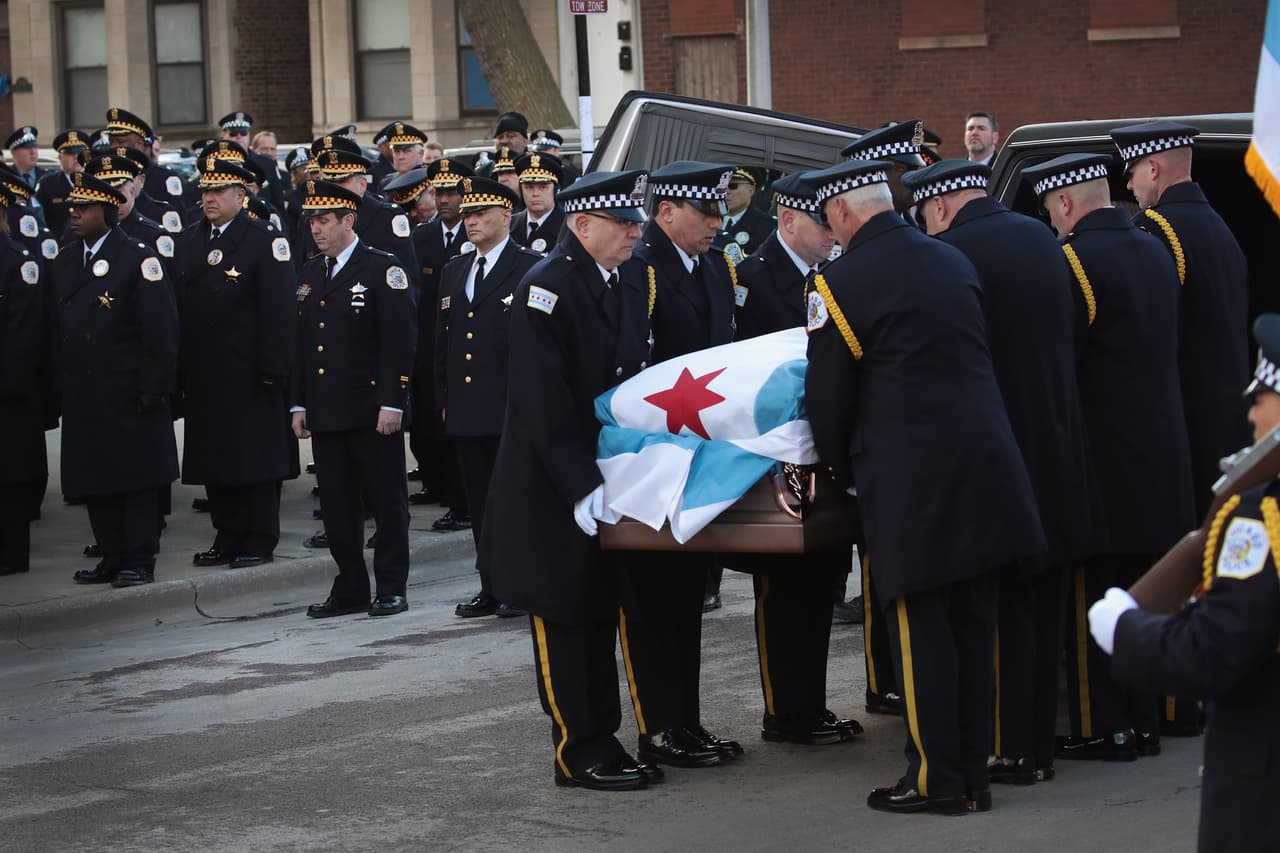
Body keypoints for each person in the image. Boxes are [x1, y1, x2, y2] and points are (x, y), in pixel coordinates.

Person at [805, 157, 1045, 815]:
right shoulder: (951, 260)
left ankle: (936, 778)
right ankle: (971, 773)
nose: (832, 234)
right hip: (989, 466)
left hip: (912, 480)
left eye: (830, 221)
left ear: (846, 213)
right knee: (973, 625)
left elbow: (829, 401)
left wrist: (840, 473)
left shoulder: (838, 284)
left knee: (922, 630)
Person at [903, 158, 1099, 784]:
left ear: (937, 209)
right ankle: (1034, 746)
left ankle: (997, 744)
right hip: (1059, 444)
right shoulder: (1041, 238)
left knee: (992, 613)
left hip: (998, 450)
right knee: (1038, 611)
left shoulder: (951, 255)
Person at [484, 168, 659, 790]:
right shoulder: (546, 288)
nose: (636, 232)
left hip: (608, 473)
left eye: (637, 222)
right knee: (567, 616)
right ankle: (578, 748)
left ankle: (605, 736)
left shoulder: (628, 278)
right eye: (625, 223)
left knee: (601, 609)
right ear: (582, 225)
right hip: (554, 483)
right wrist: (581, 483)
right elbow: (542, 401)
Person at [1021, 152, 1195, 760]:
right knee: (1147, 590)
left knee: (1095, 596)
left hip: (1101, 456)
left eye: (1049, 210)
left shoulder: (1073, 261)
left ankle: (1104, 725)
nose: (1050, 222)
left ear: (1065, 203)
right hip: (1163, 446)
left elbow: (1063, 361)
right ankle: (1145, 721)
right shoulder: (1157, 247)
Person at [1088, 313, 1280, 853]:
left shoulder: (1261, 522)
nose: (1250, 414)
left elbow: (1213, 652)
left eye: (1260, 399)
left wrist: (1125, 629)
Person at [1112, 120, 1252, 736]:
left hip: (1182, 415)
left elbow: (1151, 331)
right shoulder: (1220, 227)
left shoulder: (1160, 230)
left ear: (1155, 170)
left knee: (1182, 558)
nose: (1132, 186)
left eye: (1134, 174)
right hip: (1227, 412)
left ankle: (1180, 698)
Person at [617, 161, 742, 770]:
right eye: (705, 213)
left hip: (701, 452)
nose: (717, 224)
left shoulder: (716, 266)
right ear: (665, 213)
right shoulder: (643, 269)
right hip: (653, 453)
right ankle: (656, 726)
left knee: (687, 595)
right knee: (652, 596)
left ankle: (685, 720)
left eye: (719, 212)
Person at [730, 170, 860, 745]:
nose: (833, 231)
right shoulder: (754, 278)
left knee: (822, 578)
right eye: (821, 221)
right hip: (777, 453)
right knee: (784, 584)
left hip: (822, 448)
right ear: (788, 221)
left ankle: (811, 703)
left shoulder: (829, 274)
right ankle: (786, 709)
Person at [835, 119, 931, 716]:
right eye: (909, 173)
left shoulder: (854, 271)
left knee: (909, 595)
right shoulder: (939, 254)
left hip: (895, 457)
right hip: (937, 451)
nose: (917, 183)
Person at [291, 179, 417, 618]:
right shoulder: (309, 273)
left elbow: (399, 342)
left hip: (371, 410)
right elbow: (303, 347)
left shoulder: (382, 268)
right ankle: (350, 586)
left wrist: (393, 401)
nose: (316, 230)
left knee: (386, 503)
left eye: (324, 221)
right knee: (338, 508)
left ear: (349, 220)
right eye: (312, 222)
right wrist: (299, 403)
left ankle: (391, 586)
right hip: (327, 411)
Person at [55, 172, 179, 588]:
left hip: (128, 390)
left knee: (135, 479)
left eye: (84, 208)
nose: (75, 214)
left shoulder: (138, 257)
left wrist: (154, 387)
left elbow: (160, 329)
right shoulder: (69, 258)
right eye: (72, 207)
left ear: (107, 212)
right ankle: (111, 554)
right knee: (95, 476)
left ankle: (139, 558)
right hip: (85, 391)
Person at [177, 155, 298, 570]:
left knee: (255, 458)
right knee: (216, 457)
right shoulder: (191, 240)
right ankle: (226, 533)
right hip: (207, 372)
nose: (208, 198)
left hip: (251, 372)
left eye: (217, 191)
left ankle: (259, 536)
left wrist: (274, 368)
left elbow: (280, 310)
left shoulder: (263, 240)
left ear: (239, 195)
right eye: (204, 191)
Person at [435, 176, 542, 617]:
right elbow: (442, 343)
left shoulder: (531, 266)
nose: (471, 222)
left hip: (510, 408)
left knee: (515, 502)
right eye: (467, 215)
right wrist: (442, 398)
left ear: (505, 216)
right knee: (480, 504)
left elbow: (537, 346)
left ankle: (522, 587)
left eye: (480, 214)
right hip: (466, 408)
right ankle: (491, 585)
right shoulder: (454, 269)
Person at [406, 158, 473, 528]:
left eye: (452, 192)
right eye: (440, 192)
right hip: (428, 344)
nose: (445, 199)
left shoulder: (474, 235)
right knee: (428, 422)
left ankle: (458, 496)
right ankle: (435, 481)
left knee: (454, 426)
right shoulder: (422, 237)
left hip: (461, 345)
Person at [0, 183, 53, 576]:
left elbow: (23, 337)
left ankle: (10, 555)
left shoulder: (18, 262)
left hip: (9, 392)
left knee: (12, 479)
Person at [104, 107, 189, 226]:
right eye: (111, 141)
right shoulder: (104, 177)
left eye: (121, 142)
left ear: (139, 144)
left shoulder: (163, 178)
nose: (114, 147)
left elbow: (177, 224)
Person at [713, 168, 775, 263]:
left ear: (751, 190)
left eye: (733, 186)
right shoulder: (708, 218)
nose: (726, 191)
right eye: (722, 186)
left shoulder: (768, 227)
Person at [509, 152, 565, 253]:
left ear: (555, 189)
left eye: (543, 187)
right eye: (529, 187)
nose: (535, 194)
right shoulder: (509, 224)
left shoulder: (568, 226)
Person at [37, 130, 88, 238]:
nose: (76, 157)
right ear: (60, 157)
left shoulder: (95, 183)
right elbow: (39, 219)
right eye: (70, 153)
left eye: (80, 153)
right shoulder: (47, 184)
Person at [376, 123, 429, 195]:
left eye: (406, 151)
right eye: (396, 151)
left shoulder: (431, 179)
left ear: (420, 154)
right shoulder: (386, 182)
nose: (400, 157)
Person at [6, 126, 47, 193]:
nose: (33, 152)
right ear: (14, 153)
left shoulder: (48, 178)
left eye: (34, 146)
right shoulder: (6, 178)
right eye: (27, 148)